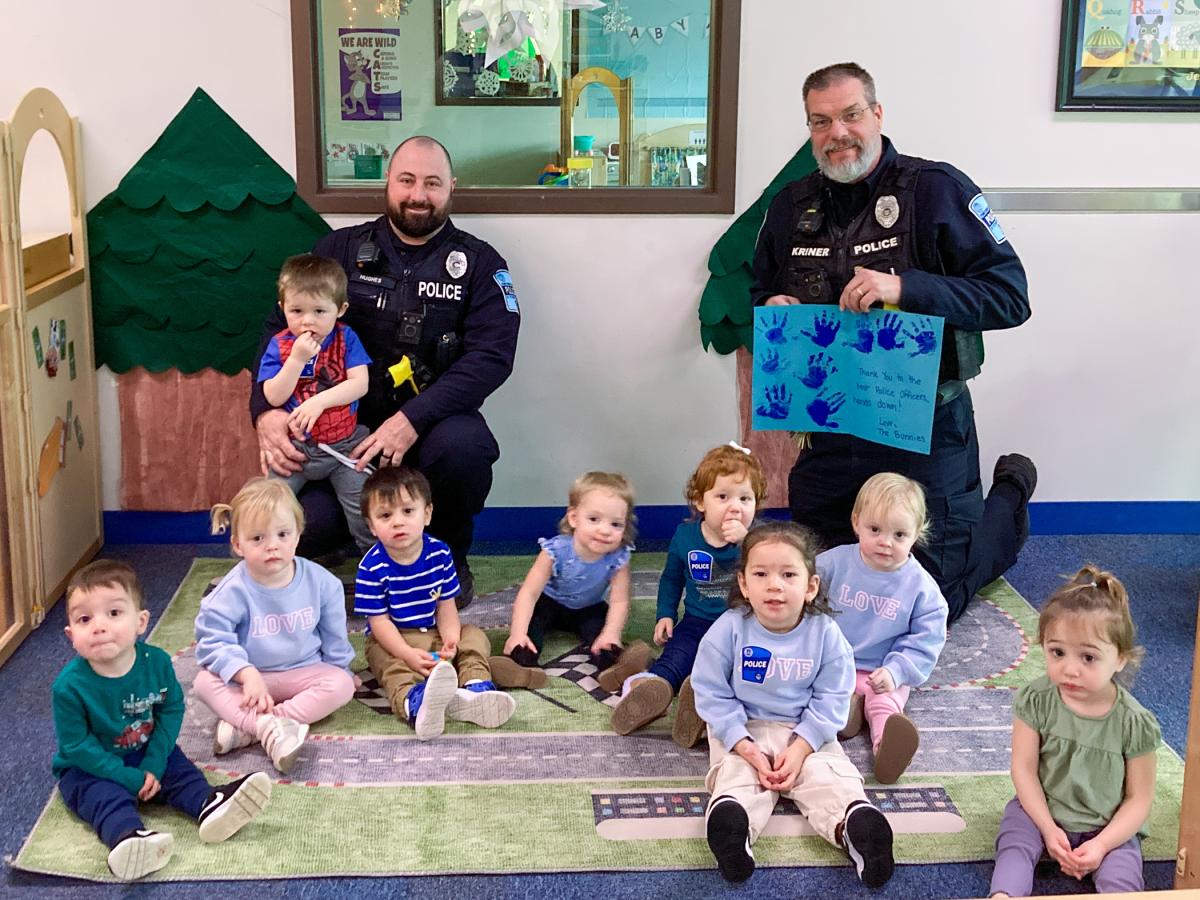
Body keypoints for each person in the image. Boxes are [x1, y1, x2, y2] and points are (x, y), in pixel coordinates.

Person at [750, 61, 1037, 623]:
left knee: (930, 600)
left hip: (924, 429)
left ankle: (1008, 494)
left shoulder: (938, 190)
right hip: (830, 432)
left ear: (877, 114)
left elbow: (1010, 297)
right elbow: (760, 289)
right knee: (814, 594)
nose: (838, 134)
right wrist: (769, 305)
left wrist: (907, 287)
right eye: (821, 121)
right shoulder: (789, 206)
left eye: (851, 115)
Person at [253, 135, 521, 607]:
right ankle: (359, 556)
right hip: (340, 433)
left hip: (432, 428)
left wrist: (413, 418)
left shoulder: (481, 264)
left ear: (451, 187)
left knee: (466, 449)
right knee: (305, 525)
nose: (419, 194)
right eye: (407, 180)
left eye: (432, 183)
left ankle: (447, 557)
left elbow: (492, 356)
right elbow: (277, 331)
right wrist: (265, 414)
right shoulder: (337, 249)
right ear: (388, 184)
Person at [690, 521, 894, 886]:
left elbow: (833, 695)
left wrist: (802, 746)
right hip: (742, 726)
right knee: (737, 776)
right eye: (761, 574)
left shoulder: (826, 634)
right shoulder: (729, 628)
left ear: (810, 586)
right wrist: (744, 746)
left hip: (806, 729)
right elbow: (710, 690)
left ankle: (856, 825)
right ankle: (732, 831)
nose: (774, 585)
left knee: (828, 775)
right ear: (743, 584)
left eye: (788, 574)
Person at [52, 560, 271, 881]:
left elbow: (170, 711)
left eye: (113, 613)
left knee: (179, 770)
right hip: (89, 765)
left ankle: (208, 803)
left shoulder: (156, 663)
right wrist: (130, 778)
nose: (98, 626)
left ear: (141, 622)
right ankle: (127, 837)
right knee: (101, 797)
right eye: (85, 619)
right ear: (72, 634)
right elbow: (77, 746)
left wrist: (152, 765)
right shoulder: (68, 686)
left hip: (145, 749)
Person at [990, 565, 1160, 898]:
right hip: (1040, 812)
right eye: (1057, 652)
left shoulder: (1134, 722)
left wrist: (1102, 845)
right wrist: (1048, 829)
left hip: (1108, 826)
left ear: (1121, 659)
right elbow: (1023, 770)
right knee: (1014, 846)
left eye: (1088, 657)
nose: (1070, 668)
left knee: (1122, 875)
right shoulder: (1035, 700)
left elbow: (1139, 800)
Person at [194, 478, 356, 773]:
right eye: (258, 539)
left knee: (342, 685)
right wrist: (246, 674)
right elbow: (212, 643)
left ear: (298, 535)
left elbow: (335, 637)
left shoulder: (323, 583)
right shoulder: (228, 593)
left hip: (304, 672)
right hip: (251, 680)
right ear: (238, 544)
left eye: (283, 534)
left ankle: (256, 727)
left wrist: (341, 668)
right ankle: (268, 727)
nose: (272, 546)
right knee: (203, 682)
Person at [609, 443, 766, 738]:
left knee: (741, 672)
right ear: (700, 501)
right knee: (676, 657)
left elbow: (770, 573)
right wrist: (665, 614)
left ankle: (700, 706)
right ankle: (652, 690)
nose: (735, 507)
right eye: (723, 497)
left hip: (746, 626)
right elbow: (671, 578)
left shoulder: (759, 541)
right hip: (696, 622)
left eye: (746, 498)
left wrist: (749, 543)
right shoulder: (685, 536)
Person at [354, 465, 515, 740]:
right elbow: (379, 623)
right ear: (371, 525)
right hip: (394, 638)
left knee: (473, 635)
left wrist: (451, 640)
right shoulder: (371, 566)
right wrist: (406, 653)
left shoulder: (439, 553)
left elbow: (446, 605)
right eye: (385, 515)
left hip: (434, 634)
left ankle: (474, 687)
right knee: (386, 661)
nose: (397, 522)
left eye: (407, 511)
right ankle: (414, 703)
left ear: (426, 513)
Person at [816, 472, 948, 783]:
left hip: (883, 671)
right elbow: (802, 589)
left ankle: (885, 746)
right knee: (814, 692)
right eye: (875, 529)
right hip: (833, 663)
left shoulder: (921, 589)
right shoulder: (833, 563)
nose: (885, 542)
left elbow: (927, 639)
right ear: (856, 522)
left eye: (899, 535)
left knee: (885, 705)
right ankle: (844, 714)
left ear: (916, 534)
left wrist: (897, 671)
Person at [257, 253, 374, 552]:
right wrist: (296, 360)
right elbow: (273, 396)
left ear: (340, 309)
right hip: (296, 450)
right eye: (296, 310)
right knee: (267, 506)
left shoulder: (346, 338)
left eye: (320, 311)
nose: (307, 321)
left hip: (344, 446)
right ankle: (263, 566)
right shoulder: (280, 344)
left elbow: (360, 384)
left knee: (364, 508)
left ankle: (377, 566)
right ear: (282, 308)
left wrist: (319, 402)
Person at [490, 471, 647, 691]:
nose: (605, 530)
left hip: (588, 607)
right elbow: (529, 593)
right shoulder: (555, 550)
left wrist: (611, 633)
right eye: (594, 519)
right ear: (574, 518)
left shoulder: (618, 557)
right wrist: (518, 633)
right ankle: (523, 667)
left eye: (616, 524)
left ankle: (614, 669)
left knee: (603, 636)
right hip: (549, 603)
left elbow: (619, 601)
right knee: (530, 631)